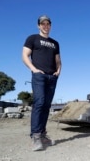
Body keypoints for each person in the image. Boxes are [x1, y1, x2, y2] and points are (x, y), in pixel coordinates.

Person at [22, 15, 62, 151]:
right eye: (42, 24)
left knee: (46, 105)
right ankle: (36, 136)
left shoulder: (55, 43)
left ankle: (43, 134)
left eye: (48, 24)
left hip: (52, 77)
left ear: (50, 25)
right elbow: (24, 55)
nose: (45, 26)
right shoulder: (32, 38)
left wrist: (58, 71)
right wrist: (34, 70)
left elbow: (58, 60)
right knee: (39, 102)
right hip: (39, 76)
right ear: (38, 26)